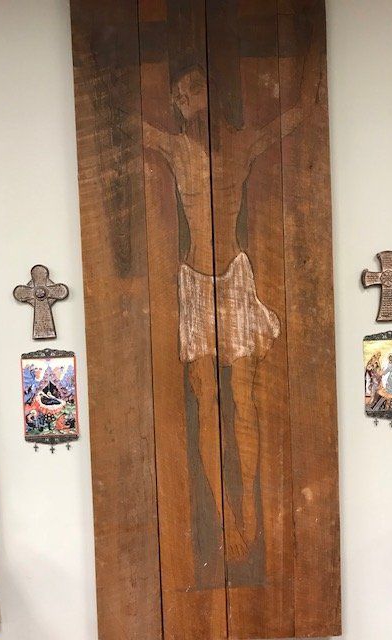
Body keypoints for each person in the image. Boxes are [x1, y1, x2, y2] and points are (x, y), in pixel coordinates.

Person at [143, 65, 305, 559]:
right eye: (187, 93)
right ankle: (223, 515)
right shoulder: (175, 148)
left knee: (244, 401)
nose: (197, 97)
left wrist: (314, 79)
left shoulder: (240, 143)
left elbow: (295, 117)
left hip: (234, 279)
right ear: (178, 105)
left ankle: (249, 509)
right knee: (207, 403)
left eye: (201, 87)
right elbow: (129, 127)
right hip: (195, 285)